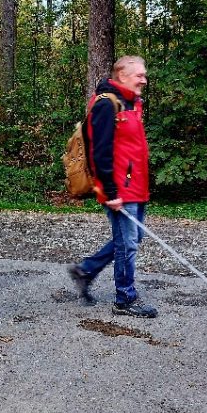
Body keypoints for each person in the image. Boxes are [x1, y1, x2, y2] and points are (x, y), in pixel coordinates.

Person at [68, 55, 156, 318]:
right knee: (127, 244)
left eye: (144, 74)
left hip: (136, 187)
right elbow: (100, 152)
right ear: (122, 76)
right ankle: (125, 298)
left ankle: (86, 270)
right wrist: (111, 191)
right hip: (119, 188)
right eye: (139, 75)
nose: (144, 79)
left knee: (130, 240)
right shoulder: (107, 105)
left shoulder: (132, 103)